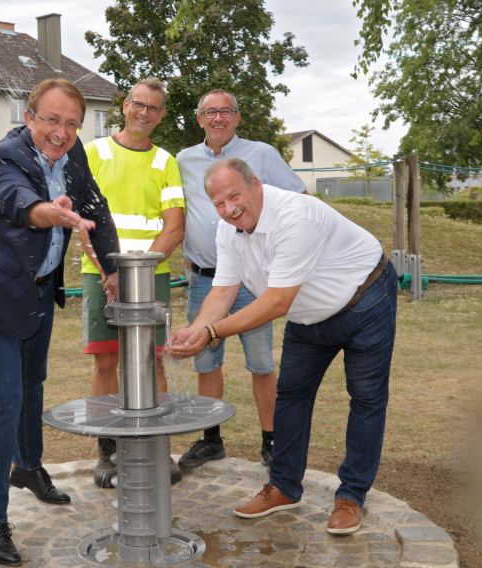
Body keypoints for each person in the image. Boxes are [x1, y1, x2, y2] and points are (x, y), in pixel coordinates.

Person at [167, 158, 396, 535]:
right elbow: (222, 291)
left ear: (255, 183)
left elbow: (275, 303)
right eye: (219, 204)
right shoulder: (228, 231)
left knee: (366, 398)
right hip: (308, 316)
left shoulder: (295, 216)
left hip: (365, 299)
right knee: (289, 396)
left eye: (234, 196)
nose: (229, 209)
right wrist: (196, 330)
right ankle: (285, 487)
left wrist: (211, 334)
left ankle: (351, 496)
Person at [0, 78, 120, 566]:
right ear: (30, 117)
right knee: (4, 400)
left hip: (40, 289)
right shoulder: (7, 157)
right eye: (52, 120)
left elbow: (97, 208)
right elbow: (20, 205)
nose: (61, 132)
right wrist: (53, 212)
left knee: (33, 383)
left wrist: (110, 269)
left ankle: (27, 467)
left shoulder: (75, 156)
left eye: (71, 123)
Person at [175, 89, 307, 470]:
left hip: (251, 280)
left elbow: (298, 197)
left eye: (226, 112)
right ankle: (210, 438)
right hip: (204, 277)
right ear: (199, 119)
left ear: (237, 117)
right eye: (210, 112)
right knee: (206, 360)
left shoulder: (262, 154)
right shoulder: (184, 160)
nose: (218, 118)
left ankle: (271, 439)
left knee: (262, 362)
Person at [81, 77, 185, 488]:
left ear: (161, 115)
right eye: (138, 104)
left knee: (151, 360)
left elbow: (174, 226)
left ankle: (156, 448)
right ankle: (108, 451)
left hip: (151, 277)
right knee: (106, 360)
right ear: (125, 105)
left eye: (153, 108)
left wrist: (135, 275)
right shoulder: (94, 153)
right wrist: (111, 275)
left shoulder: (166, 161)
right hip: (100, 275)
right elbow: (84, 222)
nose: (144, 113)